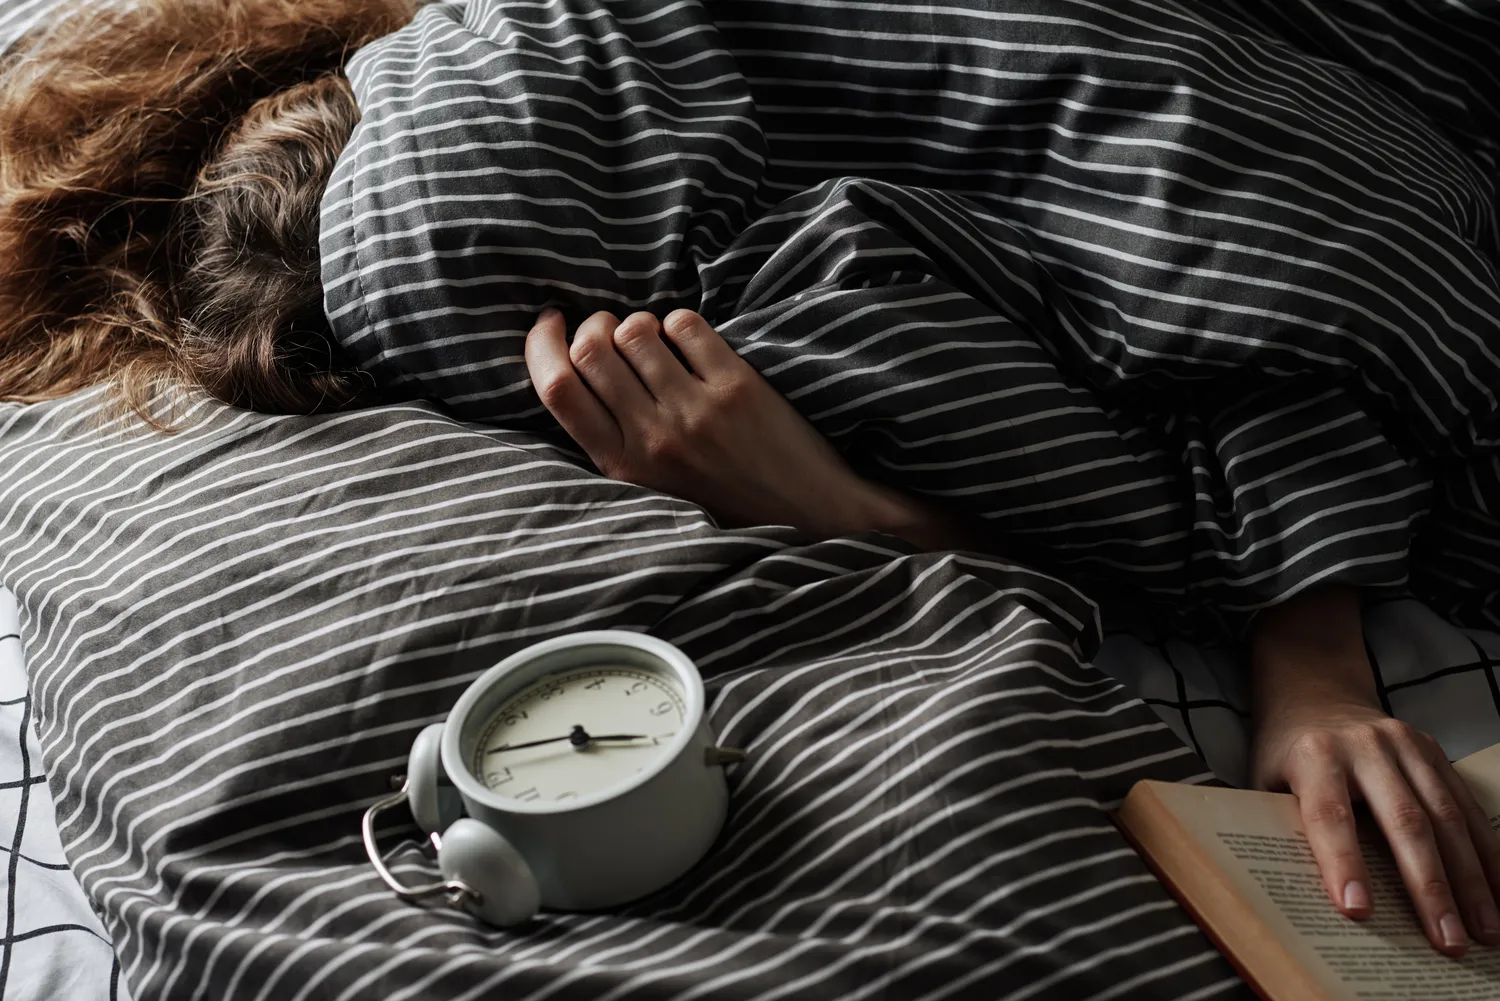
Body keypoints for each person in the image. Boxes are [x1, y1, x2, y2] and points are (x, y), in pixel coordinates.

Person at [1, 0, 1497, 961]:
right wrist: (849, 518)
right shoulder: (466, 283)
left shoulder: (464, 186)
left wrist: (1311, 649)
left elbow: (1264, 177)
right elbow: (978, 342)